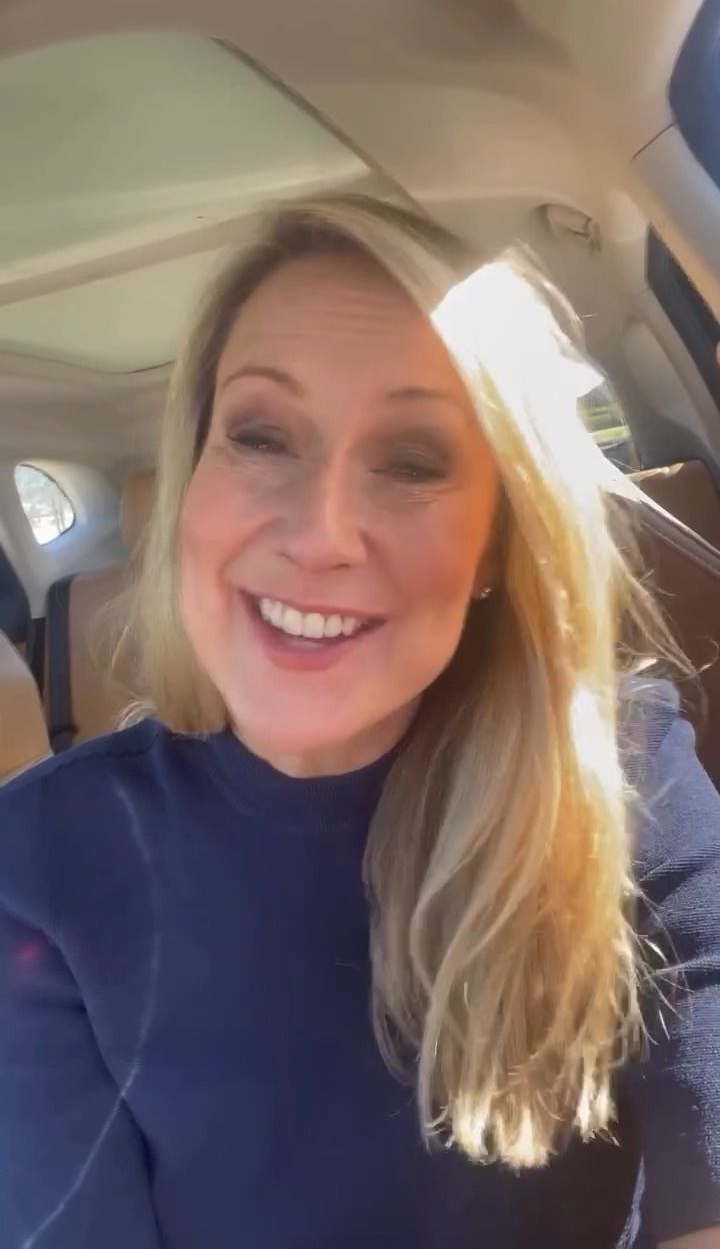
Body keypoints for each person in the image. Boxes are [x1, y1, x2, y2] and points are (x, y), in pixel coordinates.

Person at [0, 195, 718, 1249]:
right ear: (191, 488)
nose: (323, 532)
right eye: (260, 436)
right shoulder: (35, 859)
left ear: (494, 545)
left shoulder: (623, 772)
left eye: (413, 459)